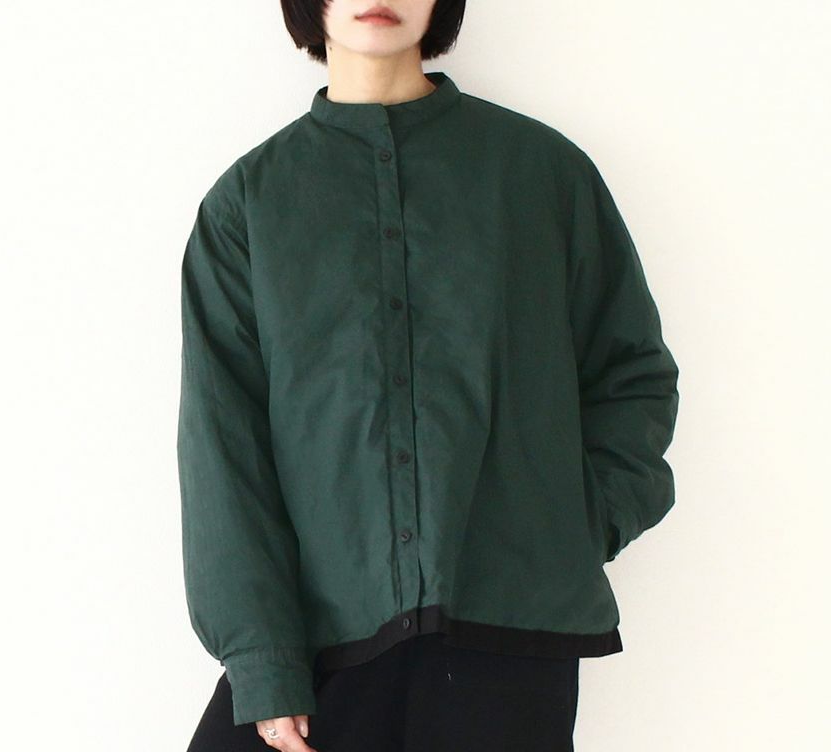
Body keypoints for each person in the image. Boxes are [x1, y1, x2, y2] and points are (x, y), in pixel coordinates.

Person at [177, 1, 680, 750]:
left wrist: (582, 523)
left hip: (509, 634)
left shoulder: (541, 172)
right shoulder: (246, 205)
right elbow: (225, 451)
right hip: (322, 637)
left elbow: (631, 370)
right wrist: (261, 660)